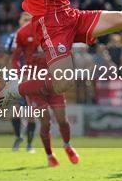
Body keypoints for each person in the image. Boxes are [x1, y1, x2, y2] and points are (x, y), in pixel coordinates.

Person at [11, 14, 79, 167]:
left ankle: (67, 145)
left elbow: (65, 51)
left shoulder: (53, 28)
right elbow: (15, 58)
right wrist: (20, 73)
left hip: (53, 81)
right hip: (33, 82)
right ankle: (49, 155)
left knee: (62, 118)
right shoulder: (22, 33)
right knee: (45, 121)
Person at [4, 12, 36, 153]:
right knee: (14, 111)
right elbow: (7, 59)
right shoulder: (13, 38)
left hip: (32, 77)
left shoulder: (38, 36)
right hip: (15, 78)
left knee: (31, 113)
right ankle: (18, 137)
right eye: (25, 19)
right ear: (19, 21)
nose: (27, 22)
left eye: (30, 20)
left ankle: (29, 144)